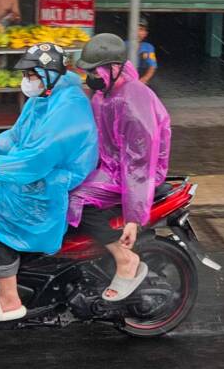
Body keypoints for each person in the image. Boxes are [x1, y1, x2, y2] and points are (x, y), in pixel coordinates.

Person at [0, 44, 98, 322]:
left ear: (48, 74)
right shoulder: (45, 98)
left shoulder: (69, 107)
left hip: (50, 181)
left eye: (31, 74)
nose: (27, 80)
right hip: (36, 176)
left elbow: (38, 158)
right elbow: (16, 137)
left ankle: (10, 301)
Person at [68, 33, 171, 301]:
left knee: (74, 198)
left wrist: (133, 218)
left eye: (94, 71)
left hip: (136, 172)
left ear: (113, 69)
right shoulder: (105, 93)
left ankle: (124, 258)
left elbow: (139, 162)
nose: (88, 76)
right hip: (112, 165)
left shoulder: (132, 100)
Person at [132, 16, 158, 85]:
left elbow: (152, 66)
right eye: (138, 29)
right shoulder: (124, 44)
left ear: (146, 34)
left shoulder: (148, 47)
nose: (139, 32)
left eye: (142, 30)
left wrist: (144, 79)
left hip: (142, 75)